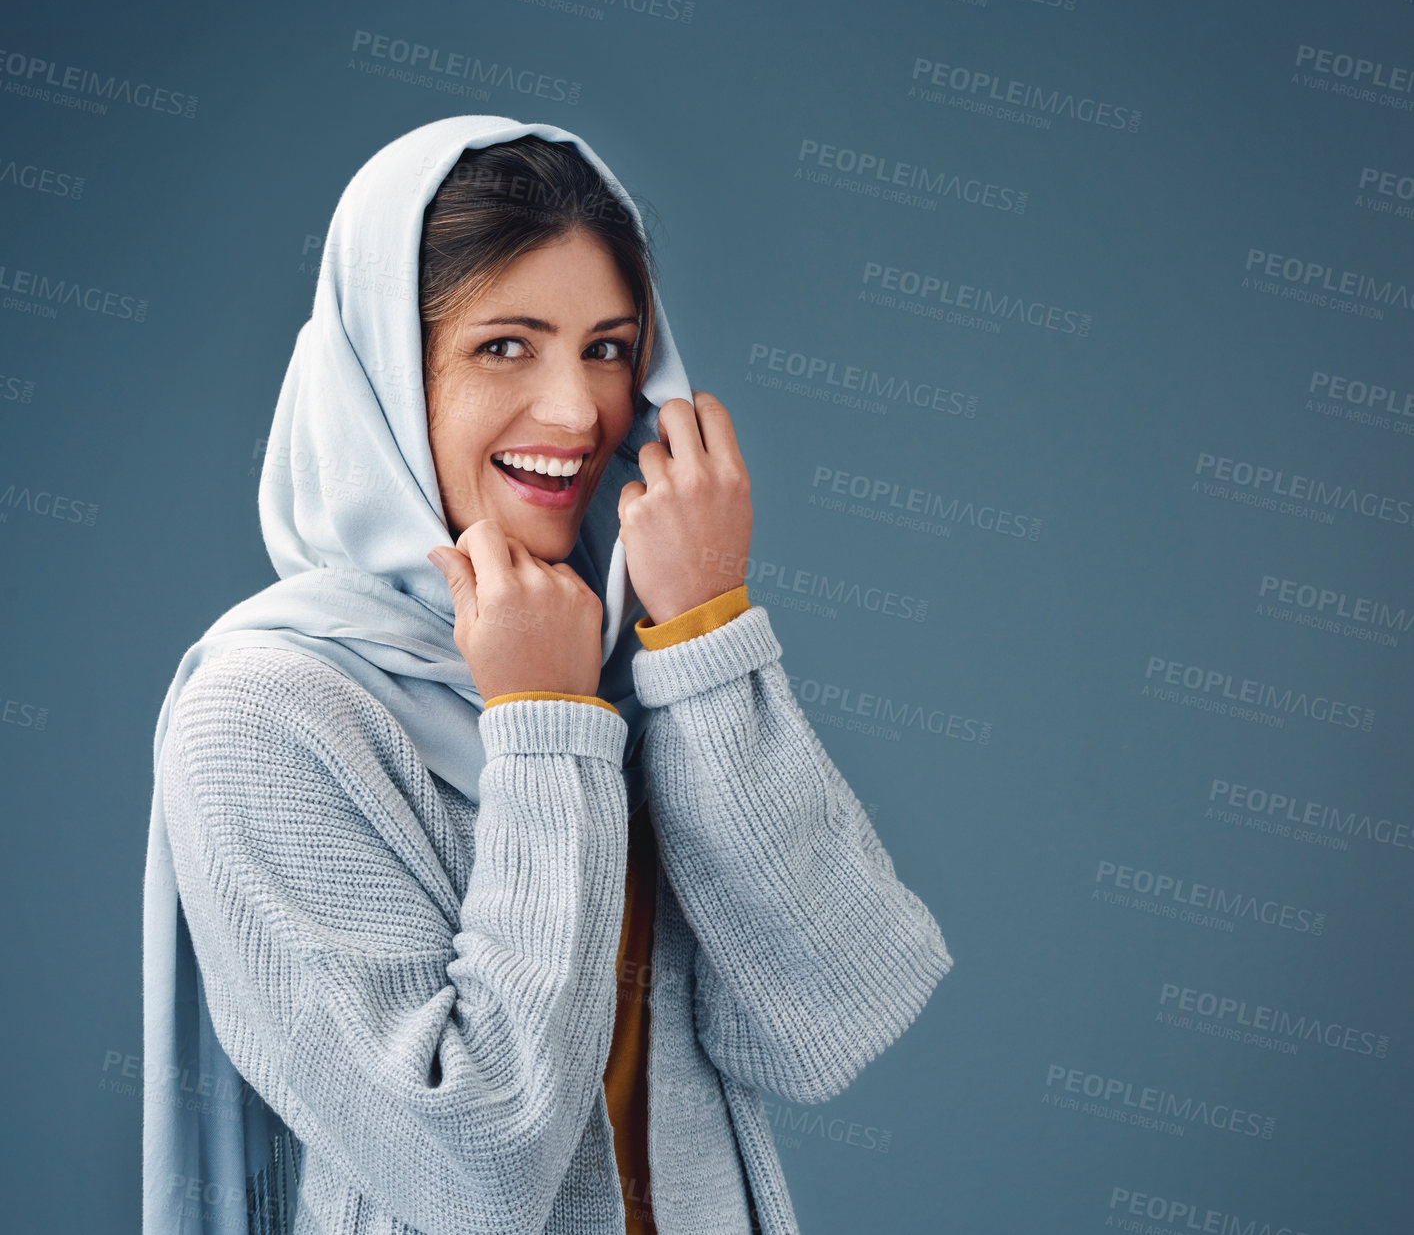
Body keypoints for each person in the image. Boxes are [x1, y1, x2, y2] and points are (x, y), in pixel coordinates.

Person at [142, 115, 953, 1235]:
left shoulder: (631, 653)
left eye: (609, 348)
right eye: (505, 346)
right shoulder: (266, 715)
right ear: (381, 369)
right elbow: (477, 1171)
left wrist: (706, 635)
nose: (577, 413)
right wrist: (540, 724)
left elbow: (829, 1018)